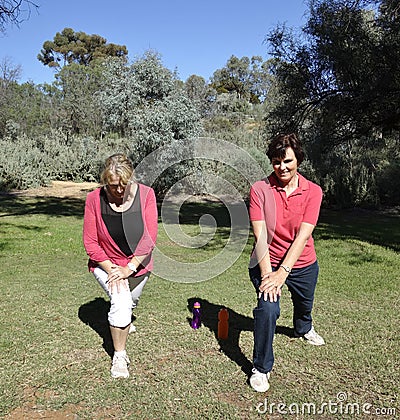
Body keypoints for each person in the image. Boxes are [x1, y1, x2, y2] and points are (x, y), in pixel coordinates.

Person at [248, 133, 325, 393]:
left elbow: (304, 235)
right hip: (265, 261)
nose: (282, 167)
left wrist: (284, 271)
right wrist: (270, 276)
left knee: (304, 305)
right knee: (268, 309)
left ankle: (304, 327)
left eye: (288, 161)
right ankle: (261, 367)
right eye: (276, 161)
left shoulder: (313, 191)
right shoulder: (260, 189)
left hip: (302, 263)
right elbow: (260, 236)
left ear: (299, 161)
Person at [83, 153, 158, 379]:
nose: (118, 190)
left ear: (131, 178)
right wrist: (113, 269)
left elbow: (149, 237)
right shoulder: (94, 199)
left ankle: (125, 318)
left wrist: (130, 268)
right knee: (122, 302)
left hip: (138, 266)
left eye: (123, 185)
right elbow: (91, 242)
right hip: (105, 264)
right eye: (113, 185)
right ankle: (119, 355)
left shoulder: (146, 195)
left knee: (131, 301)